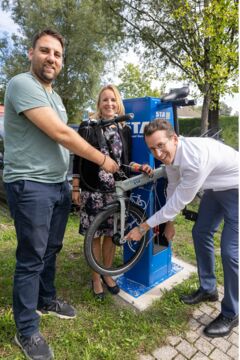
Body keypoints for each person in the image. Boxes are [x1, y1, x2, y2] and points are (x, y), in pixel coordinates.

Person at [3, 29, 119, 360]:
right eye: (45, 51)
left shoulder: (54, 97)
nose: (51, 58)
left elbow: (58, 139)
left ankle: (46, 298)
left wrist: (70, 184)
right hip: (30, 185)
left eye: (57, 54)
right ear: (31, 53)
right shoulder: (21, 84)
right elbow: (58, 133)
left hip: (56, 185)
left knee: (52, 248)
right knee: (31, 257)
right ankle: (26, 329)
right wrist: (102, 160)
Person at [125, 118, 238, 338]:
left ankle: (232, 312)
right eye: (152, 148)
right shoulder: (171, 157)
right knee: (200, 232)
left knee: (230, 251)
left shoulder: (193, 159)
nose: (157, 153)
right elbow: (173, 187)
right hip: (215, 187)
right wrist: (169, 222)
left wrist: (143, 227)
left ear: (174, 139)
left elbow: (179, 201)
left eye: (161, 145)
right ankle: (208, 289)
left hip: (236, 186)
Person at [72, 84, 152, 301]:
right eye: (105, 100)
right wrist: (76, 186)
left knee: (111, 235)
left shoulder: (123, 129)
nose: (109, 104)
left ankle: (107, 274)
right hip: (92, 190)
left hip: (117, 192)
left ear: (118, 104)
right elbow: (77, 157)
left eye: (113, 100)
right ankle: (96, 278)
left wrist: (140, 167)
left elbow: (126, 161)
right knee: (94, 237)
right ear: (99, 104)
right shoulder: (87, 126)